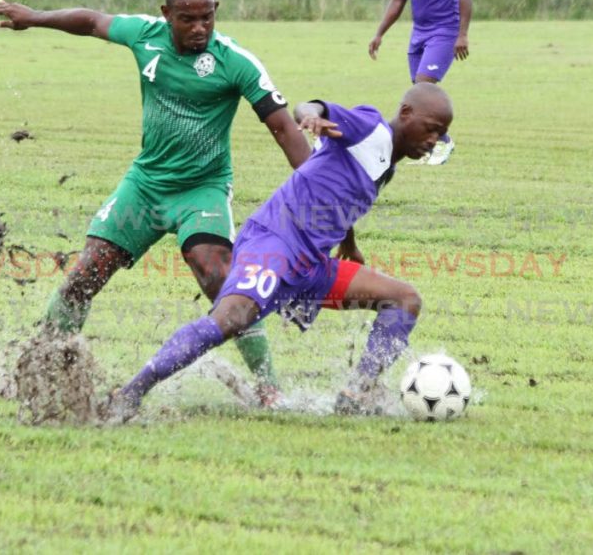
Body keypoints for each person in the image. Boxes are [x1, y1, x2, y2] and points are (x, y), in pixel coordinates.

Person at [0, 0, 321, 405]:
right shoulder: (144, 35)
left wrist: (318, 192)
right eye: (187, 18)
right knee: (84, 276)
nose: (199, 27)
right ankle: (39, 367)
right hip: (145, 186)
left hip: (202, 189)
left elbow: (282, 128)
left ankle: (269, 388)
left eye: (207, 17)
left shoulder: (236, 61)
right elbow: (91, 21)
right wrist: (36, 17)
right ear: (167, 15)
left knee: (220, 278)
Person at [104, 83, 453, 423]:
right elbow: (312, 107)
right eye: (432, 129)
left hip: (310, 264)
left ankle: (356, 395)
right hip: (274, 245)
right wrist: (310, 116)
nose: (433, 140)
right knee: (231, 319)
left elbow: (337, 189)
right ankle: (130, 393)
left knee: (405, 299)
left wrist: (349, 243)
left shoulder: (385, 163)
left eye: (442, 136)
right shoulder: (370, 127)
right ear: (406, 113)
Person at [368, 0, 470, 165]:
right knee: (418, 90)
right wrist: (380, 33)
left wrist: (462, 35)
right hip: (419, 32)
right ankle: (429, 142)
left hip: (444, 31)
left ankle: (444, 142)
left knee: (425, 84)